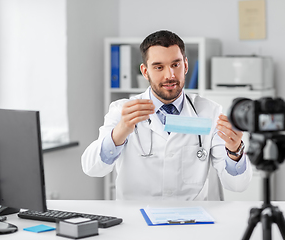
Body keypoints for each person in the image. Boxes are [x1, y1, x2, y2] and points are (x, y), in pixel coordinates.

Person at [81, 30, 252, 201]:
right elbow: (92, 168)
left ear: (185, 65)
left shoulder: (210, 112)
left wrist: (235, 150)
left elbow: (237, 185)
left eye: (175, 65)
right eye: (158, 67)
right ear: (145, 71)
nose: (169, 75)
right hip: (136, 219)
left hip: (191, 220)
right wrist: (119, 132)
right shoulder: (122, 111)